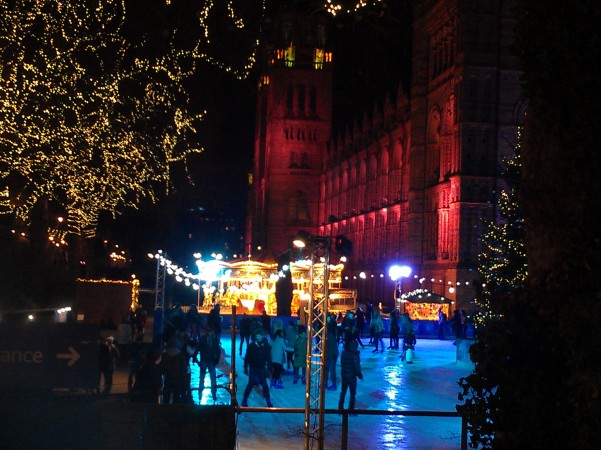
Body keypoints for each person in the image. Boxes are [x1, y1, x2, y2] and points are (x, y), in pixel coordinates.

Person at [242, 328, 273, 407]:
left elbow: (268, 357)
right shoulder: (252, 346)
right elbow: (247, 357)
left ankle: (268, 400)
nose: (258, 337)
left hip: (261, 368)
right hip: (253, 367)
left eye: (260, 336)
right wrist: (245, 367)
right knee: (250, 384)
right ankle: (245, 399)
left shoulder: (266, 346)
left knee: (265, 384)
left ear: (262, 336)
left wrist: (269, 368)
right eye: (257, 336)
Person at [194, 325, 222, 403]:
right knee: (202, 378)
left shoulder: (215, 340)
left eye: (210, 331)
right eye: (208, 331)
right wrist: (195, 356)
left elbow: (218, 351)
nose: (209, 332)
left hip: (211, 361)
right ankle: (200, 392)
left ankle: (213, 393)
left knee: (212, 378)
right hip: (204, 360)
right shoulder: (203, 339)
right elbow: (198, 348)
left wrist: (216, 360)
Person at [338, 339, 363, 414]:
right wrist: (360, 375)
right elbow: (356, 366)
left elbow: (342, 364)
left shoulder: (344, 352)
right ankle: (351, 409)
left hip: (344, 375)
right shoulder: (354, 354)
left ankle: (340, 408)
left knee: (343, 392)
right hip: (352, 376)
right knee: (352, 393)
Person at [325, 317, 339, 390]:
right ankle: (327, 383)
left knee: (330, 369)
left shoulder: (328, 334)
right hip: (332, 353)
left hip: (331, 354)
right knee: (329, 369)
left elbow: (329, 346)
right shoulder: (333, 332)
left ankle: (333, 384)